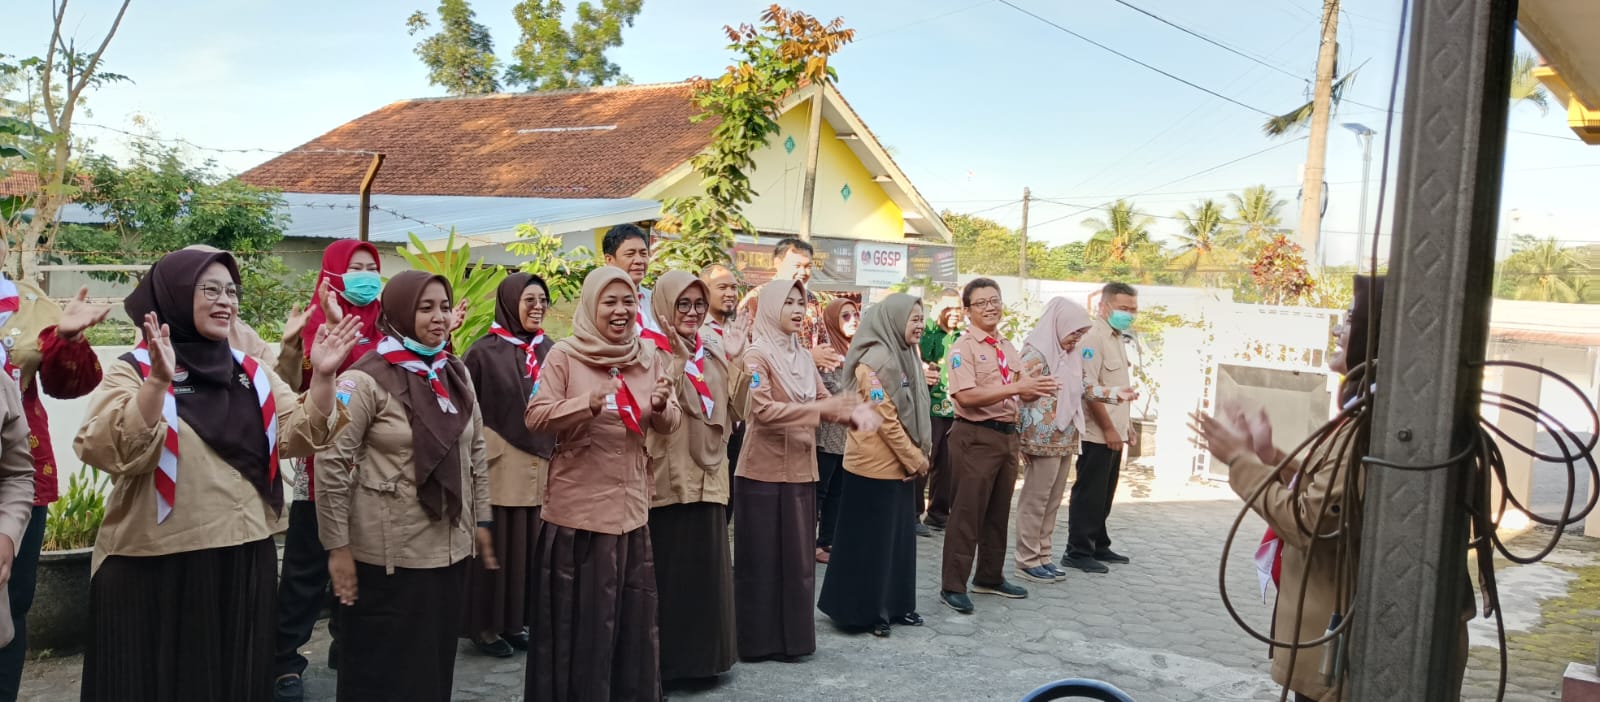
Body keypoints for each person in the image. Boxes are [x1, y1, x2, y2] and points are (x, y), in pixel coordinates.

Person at [74, 248, 355, 702]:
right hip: (157, 563)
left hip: (243, 558)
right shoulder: (136, 368)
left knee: (231, 682)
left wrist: (323, 377)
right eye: (210, 290)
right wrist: (157, 385)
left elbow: (301, 433)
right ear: (175, 295)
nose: (226, 301)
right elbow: (109, 447)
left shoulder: (251, 372)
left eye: (231, 290)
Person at [1190, 275, 1472, 701]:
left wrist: (1240, 461)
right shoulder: (1377, 411)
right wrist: (1274, 460)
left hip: (1346, 657)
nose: (1339, 331)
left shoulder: (1381, 423)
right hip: (1346, 645)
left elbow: (1311, 524)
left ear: (1382, 336)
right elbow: (1341, 496)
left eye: (1351, 319)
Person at [315, 270, 492, 701]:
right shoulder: (365, 379)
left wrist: (482, 521)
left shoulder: (455, 373)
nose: (439, 318)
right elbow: (331, 465)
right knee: (384, 669)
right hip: (389, 554)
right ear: (397, 311)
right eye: (425, 307)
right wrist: (337, 547)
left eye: (445, 307)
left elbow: (477, 452)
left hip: (449, 546)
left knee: (431, 666)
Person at [524, 266, 679, 701]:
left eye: (628, 301)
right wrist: (586, 403)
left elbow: (670, 422)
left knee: (629, 623)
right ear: (592, 306)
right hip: (579, 518)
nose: (620, 310)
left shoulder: (648, 355)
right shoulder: (566, 356)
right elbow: (535, 417)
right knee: (583, 624)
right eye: (610, 302)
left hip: (630, 513)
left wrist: (664, 407)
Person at [733, 279, 878, 661]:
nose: (798, 310)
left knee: (796, 562)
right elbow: (762, 412)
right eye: (789, 303)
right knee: (761, 561)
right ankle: (755, 642)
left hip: (801, 468)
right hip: (761, 473)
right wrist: (823, 411)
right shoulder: (756, 355)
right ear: (769, 308)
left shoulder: (799, 353)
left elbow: (820, 398)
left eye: (801, 303)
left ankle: (792, 641)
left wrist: (850, 414)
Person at [270, 240, 382, 701]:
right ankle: (283, 660)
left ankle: (347, 642)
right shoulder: (314, 327)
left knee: (366, 568)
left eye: (371, 268)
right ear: (332, 274)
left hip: (376, 470)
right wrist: (300, 344)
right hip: (325, 470)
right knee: (306, 570)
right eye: (354, 268)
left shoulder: (391, 321)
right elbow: (296, 388)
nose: (364, 276)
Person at [0, 236, 109, 702]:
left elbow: (69, 385)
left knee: (12, 601)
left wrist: (67, 339)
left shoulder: (25, 302)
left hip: (15, 474)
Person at [938, 278, 1056, 614]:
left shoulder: (1005, 345)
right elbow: (966, 396)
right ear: (967, 311)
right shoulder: (963, 348)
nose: (991, 307)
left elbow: (1019, 388)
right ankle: (953, 585)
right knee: (966, 513)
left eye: (995, 300)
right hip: (975, 436)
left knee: (996, 511)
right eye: (982, 303)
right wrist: (1014, 389)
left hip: (1006, 435)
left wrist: (1038, 387)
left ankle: (989, 576)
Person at [817, 294, 930, 638]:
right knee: (871, 544)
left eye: (922, 318)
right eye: (913, 319)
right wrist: (916, 458)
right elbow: (885, 419)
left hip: (898, 466)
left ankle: (895, 606)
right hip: (873, 468)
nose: (920, 326)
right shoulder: (875, 363)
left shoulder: (905, 355)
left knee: (897, 542)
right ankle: (864, 612)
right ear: (893, 321)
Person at [645, 271, 738, 683]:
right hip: (668, 479)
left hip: (710, 477)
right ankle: (669, 665)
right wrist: (677, 365)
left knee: (706, 573)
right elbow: (650, 412)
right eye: (683, 304)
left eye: (699, 305)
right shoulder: (647, 352)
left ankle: (705, 662)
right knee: (670, 573)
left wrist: (742, 360)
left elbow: (740, 410)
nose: (692, 313)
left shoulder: (714, 353)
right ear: (664, 305)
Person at [459, 273, 555, 657]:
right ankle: (485, 627)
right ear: (510, 301)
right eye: (528, 299)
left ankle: (515, 622)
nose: (537, 307)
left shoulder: (550, 349)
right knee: (495, 547)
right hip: (499, 468)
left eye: (543, 300)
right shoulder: (484, 351)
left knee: (528, 548)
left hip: (541, 466)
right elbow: (465, 409)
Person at [1013, 298, 1136, 584]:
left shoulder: (1070, 355)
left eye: (1081, 334)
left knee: (1053, 501)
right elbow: (1017, 395)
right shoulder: (1036, 354)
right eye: (1074, 333)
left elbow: (1082, 388)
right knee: (1035, 501)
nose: (1077, 339)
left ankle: (1043, 556)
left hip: (1065, 436)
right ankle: (1026, 560)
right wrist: (1018, 441)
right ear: (1060, 325)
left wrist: (1116, 393)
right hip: (1040, 440)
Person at [1062, 282, 1139, 574]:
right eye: (1123, 308)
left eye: (1133, 309)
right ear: (1104, 306)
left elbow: (1118, 387)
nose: (1129, 314)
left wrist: (1126, 426)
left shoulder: (1116, 336)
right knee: (1089, 492)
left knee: (1106, 491)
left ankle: (1098, 543)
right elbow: (1089, 389)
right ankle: (1078, 550)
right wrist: (1108, 429)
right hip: (1097, 432)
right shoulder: (1093, 338)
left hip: (1115, 429)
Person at [813, 297, 858, 564]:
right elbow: (826, 388)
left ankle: (827, 542)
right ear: (832, 320)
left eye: (854, 315)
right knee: (820, 491)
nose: (852, 320)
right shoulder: (825, 351)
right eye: (845, 316)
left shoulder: (858, 351)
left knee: (839, 492)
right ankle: (810, 543)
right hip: (826, 434)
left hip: (847, 436)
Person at [700, 264, 744, 523]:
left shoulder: (738, 330)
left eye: (734, 287)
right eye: (722, 287)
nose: (730, 293)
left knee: (729, 500)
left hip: (737, 426)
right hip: (709, 427)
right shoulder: (697, 331)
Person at [918, 289, 962, 534]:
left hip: (953, 409)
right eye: (949, 308)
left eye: (958, 309)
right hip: (928, 407)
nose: (954, 314)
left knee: (948, 464)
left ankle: (938, 513)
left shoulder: (961, 338)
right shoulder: (928, 334)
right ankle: (913, 513)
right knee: (926, 459)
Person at [770, 238, 837, 373]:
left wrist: (827, 358)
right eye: (797, 266)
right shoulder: (759, 299)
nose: (803, 272)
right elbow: (754, 351)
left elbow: (823, 341)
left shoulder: (810, 299)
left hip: (808, 384)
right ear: (777, 263)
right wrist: (808, 357)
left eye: (808, 267)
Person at [603, 224, 670, 353]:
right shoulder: (598, 303)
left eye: (643, 253)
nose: (639, 260)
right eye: (630, 254)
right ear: (609, 260)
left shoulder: (657, 299)